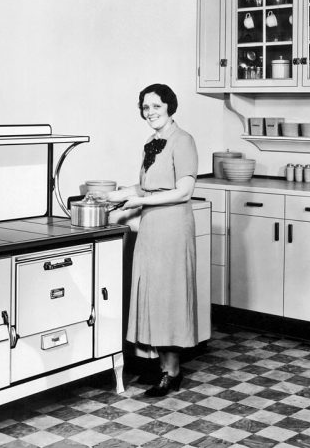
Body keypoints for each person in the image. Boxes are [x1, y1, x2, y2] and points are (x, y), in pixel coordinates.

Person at [106, 83, 199, 397]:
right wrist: (112, 195)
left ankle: (172, 373)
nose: (150, 113)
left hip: (173, 227)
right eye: (145, 108)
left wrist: (141, 203)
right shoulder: (151, 141)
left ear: (169, 107)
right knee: (151, 294)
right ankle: (160, 367)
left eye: (156, 106)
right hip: (151, 227)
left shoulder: (183, 141)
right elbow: (148, 187)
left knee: (168, 297)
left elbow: (184, 191)